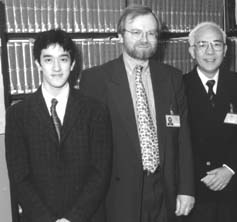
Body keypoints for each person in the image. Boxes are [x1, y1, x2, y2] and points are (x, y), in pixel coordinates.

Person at [79, 5, 195, 222]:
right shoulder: (95, 80)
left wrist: (186, 188)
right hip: (117, 193)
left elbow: (182, 138)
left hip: (164, 189)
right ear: (120, 35)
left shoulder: (172, 78)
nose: (144, 39)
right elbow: (87, 149)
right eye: (136, 32)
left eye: (151, 33)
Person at [5, 29, 112, 222]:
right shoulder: (17, 115)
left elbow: (100, 173)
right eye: (48, 60)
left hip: (87, 217)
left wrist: (72, 218)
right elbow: (19, 177)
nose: (56, 68)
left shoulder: (96, 110)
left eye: (63, 59)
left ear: (72, 64)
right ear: (38, 64)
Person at [183, 22, 237, 222]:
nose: (209, 51)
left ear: (225, 50)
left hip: (232, 188)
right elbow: (178, 141)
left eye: (216, 45)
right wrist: (202, 175)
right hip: (195, 190)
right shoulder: (179, 86)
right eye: (202, 45)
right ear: (192, 51)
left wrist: (229, 169)